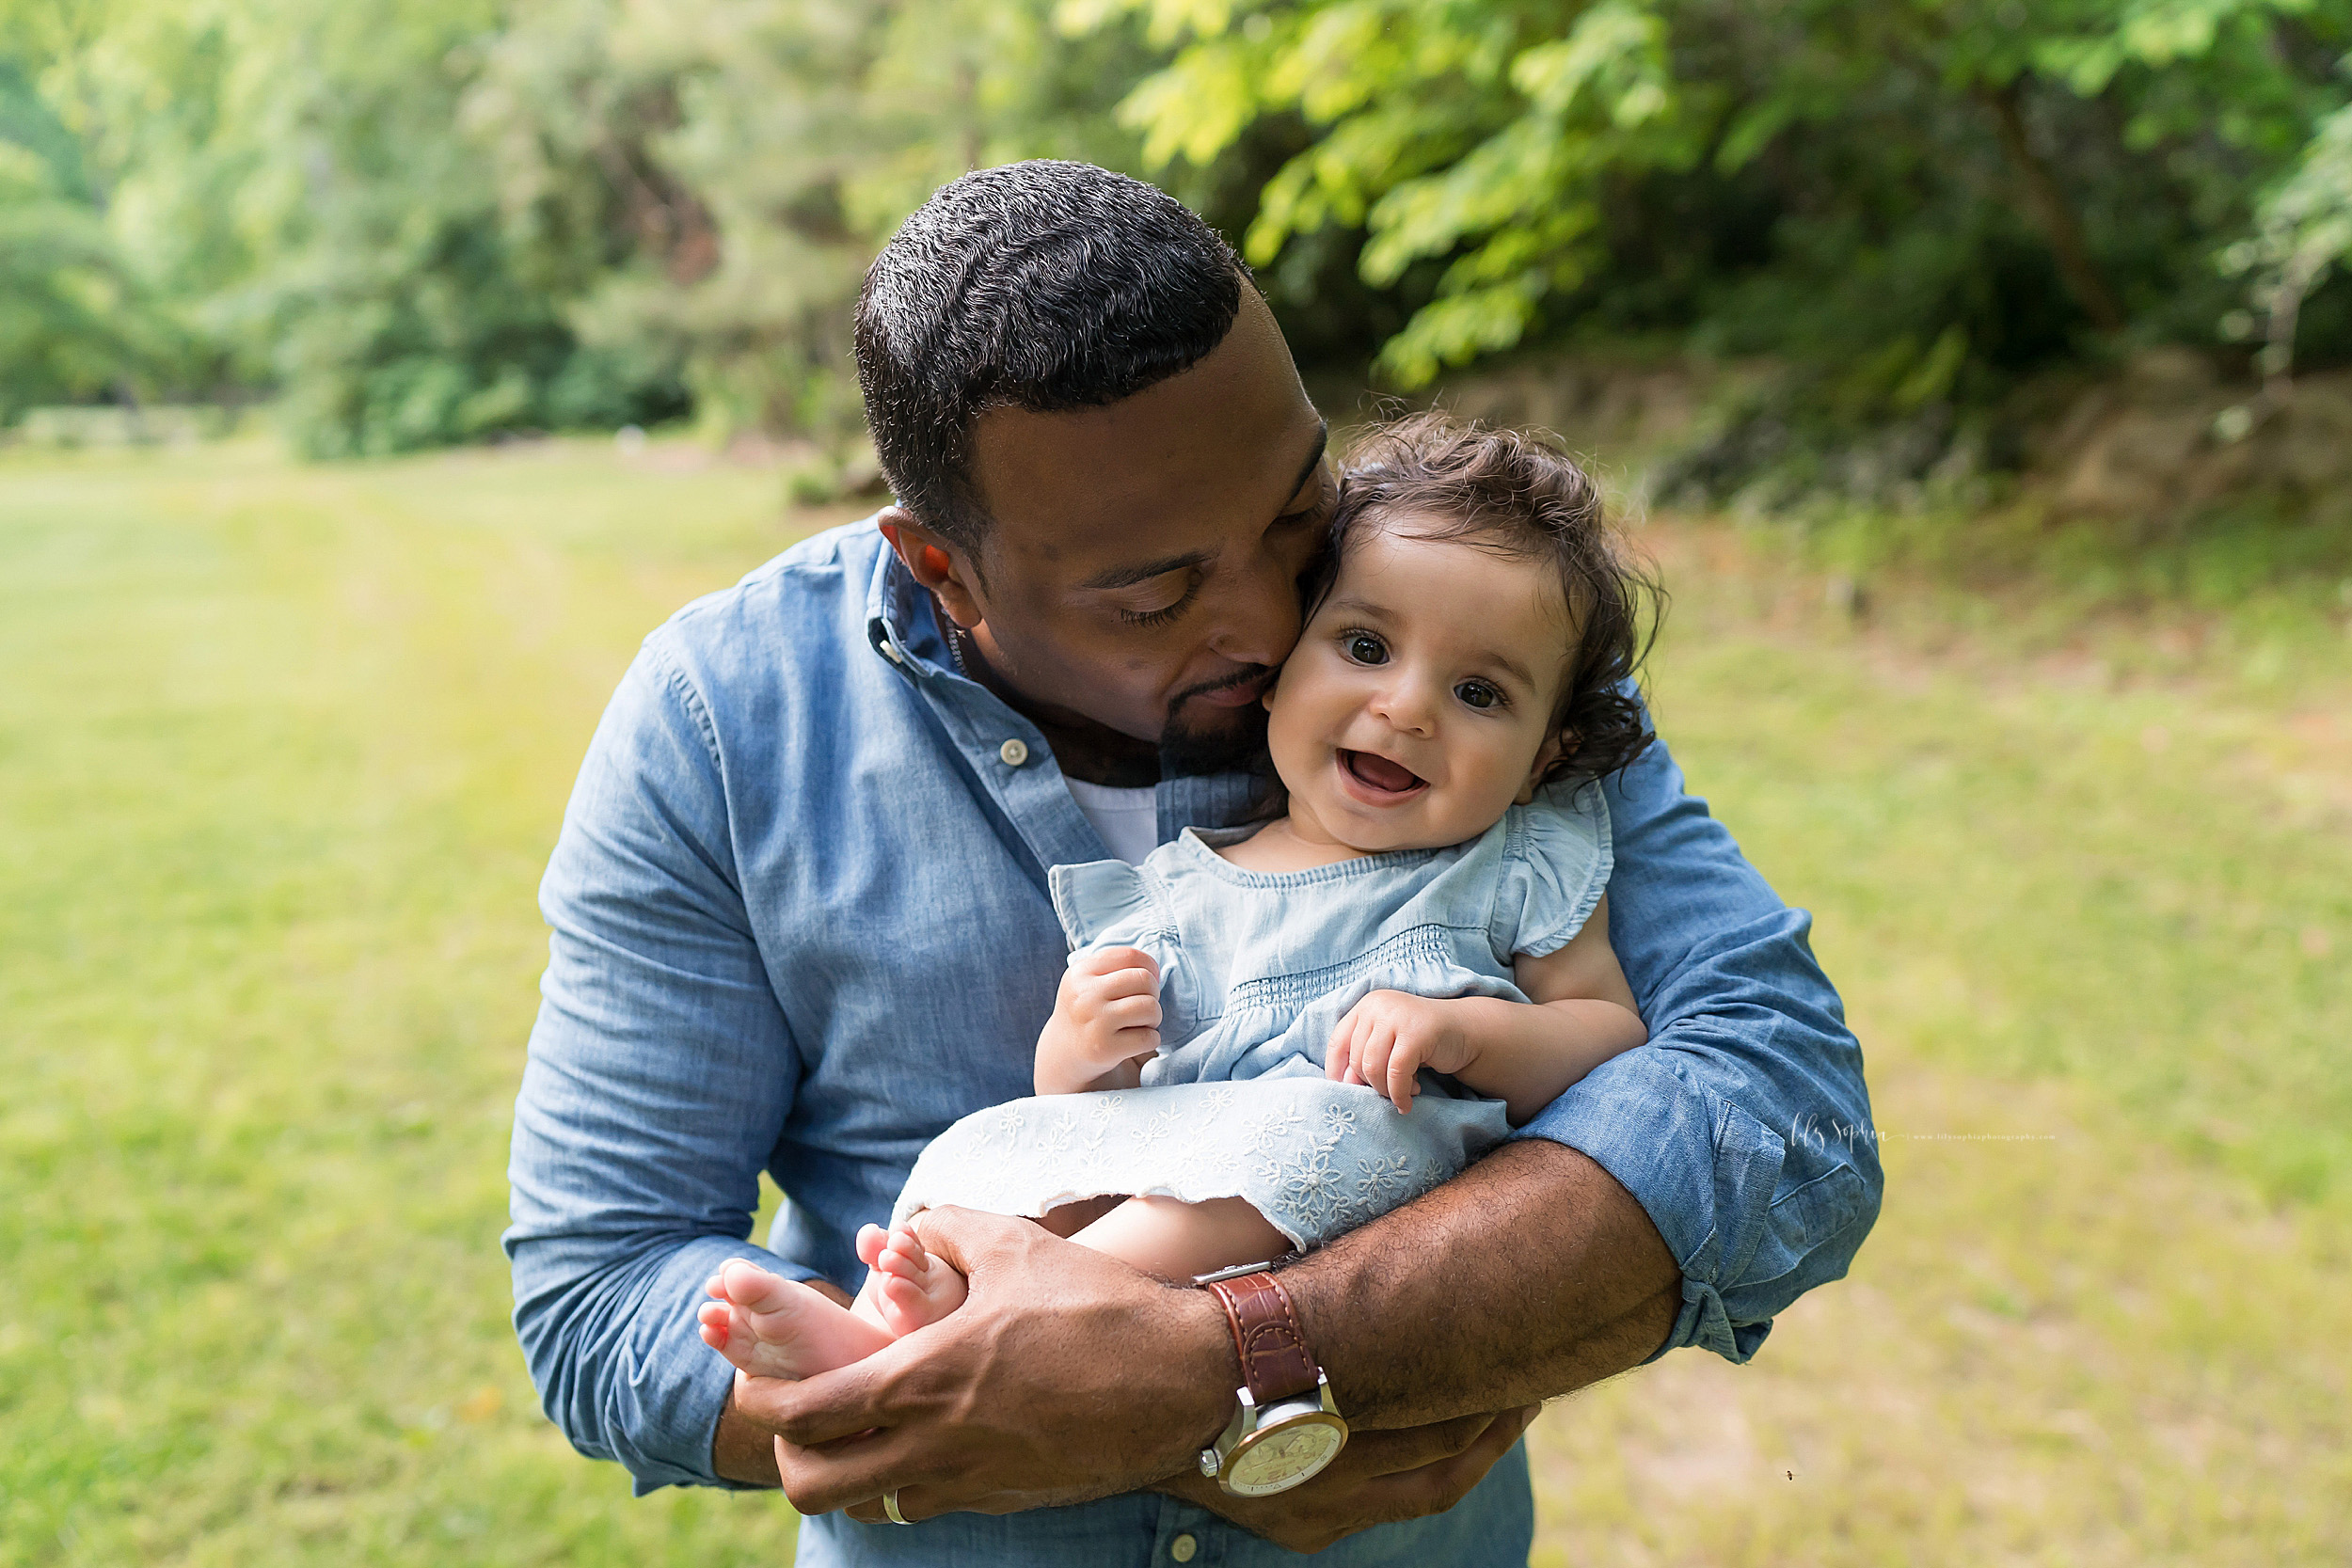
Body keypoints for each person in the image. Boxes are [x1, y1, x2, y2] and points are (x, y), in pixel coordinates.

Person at [506, 160, 1882, 1567]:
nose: (1275, 611)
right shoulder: (723, 723)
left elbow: (1783, 1108)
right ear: (945, 572)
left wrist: (1240, 1356)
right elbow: (599, 1291)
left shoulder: (1466, 646)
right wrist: (934, 1393)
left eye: (1296, 513)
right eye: (1157, 591)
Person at [696, 413, 1661, 1379]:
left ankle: (1012, 1318)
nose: (1407, 707)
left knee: (1304, 1125)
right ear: (1277, 674)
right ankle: (888, 1318)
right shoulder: (1182, 889)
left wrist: (1465, 1035)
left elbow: (1606, 1028)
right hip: (1179, 1162)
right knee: (986, 1144)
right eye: (1365, 646)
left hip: (1354, 1157)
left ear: (1544, 759)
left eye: (1479, 694)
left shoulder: (1515, 860)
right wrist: (1080, 1052)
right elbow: (1100, 1113)